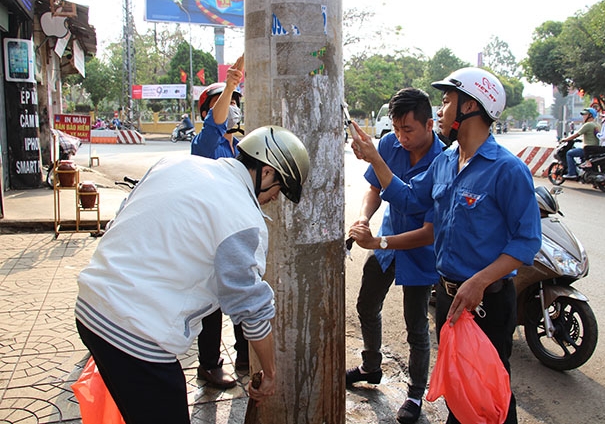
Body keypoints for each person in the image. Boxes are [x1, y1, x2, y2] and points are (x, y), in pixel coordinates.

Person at [75, 125, 310, 424]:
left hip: (90, 307)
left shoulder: (174, 163)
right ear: (266, 172)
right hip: (136, 336)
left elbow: (122, 218)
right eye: (280, 189)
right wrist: (271, 373)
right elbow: (250, 307)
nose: (275, 198)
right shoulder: (243, 217)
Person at [349, 67, 542, 424]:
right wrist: (375, 157)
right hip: (450, 297)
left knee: (491, 392)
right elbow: (407, 199)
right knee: (460, 390)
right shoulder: (446, 162)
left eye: (447, 101)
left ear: (470, 107)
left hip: (487, 301)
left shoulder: (507, 170)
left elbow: (527, 242)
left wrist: (481, 281)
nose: (440, 110)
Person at [345, 88, 445, 424]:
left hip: (418, 251)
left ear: (429, 124)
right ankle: (371, 366)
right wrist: (362, 218)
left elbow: (428, 230)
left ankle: (416, 392)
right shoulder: (388, 145)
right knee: (365, 304)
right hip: (386, 244)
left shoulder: (442, 162)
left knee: (416, 326)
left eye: (409, 130)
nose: (401, 138)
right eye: (397, 129)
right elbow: (374, 190)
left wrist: (378, 243)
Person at [190, 55, 249, 389]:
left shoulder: (241, 147)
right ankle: (209, 364)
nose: (232, 110)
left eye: (236, 103)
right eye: (227, 104)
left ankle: (244, 354)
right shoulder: (204, 142)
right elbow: (216, 122)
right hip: (208, 234)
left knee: (240, 295)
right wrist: (229, 84)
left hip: (235, 232)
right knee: (211, 303)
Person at [560, 107, 600, 179]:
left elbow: (576, 135)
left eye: (585, 114)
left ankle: (571, 173)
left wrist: (565, 139)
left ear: (590, 115)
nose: (583, 116)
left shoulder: (588, 125)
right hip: (595, 148)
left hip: (588, 149)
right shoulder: (597, 125)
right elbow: (591, 136)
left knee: (569, 153)